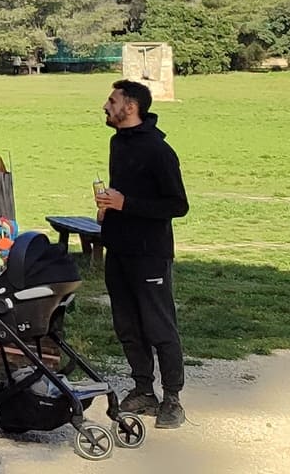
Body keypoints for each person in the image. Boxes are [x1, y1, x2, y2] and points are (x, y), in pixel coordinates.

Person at [98, 79, 190, 429]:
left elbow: (178, 205)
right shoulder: (117, 143)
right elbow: (125, 192)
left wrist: (127, 204)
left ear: (130, 107)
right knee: (127, 324)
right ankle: (143, 390)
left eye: (112, 100)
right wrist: (109, 208)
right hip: (118, 248)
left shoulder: (158, 151)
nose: (105, 106)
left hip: (150, 253)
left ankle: (172, 399)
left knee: (158, 325)